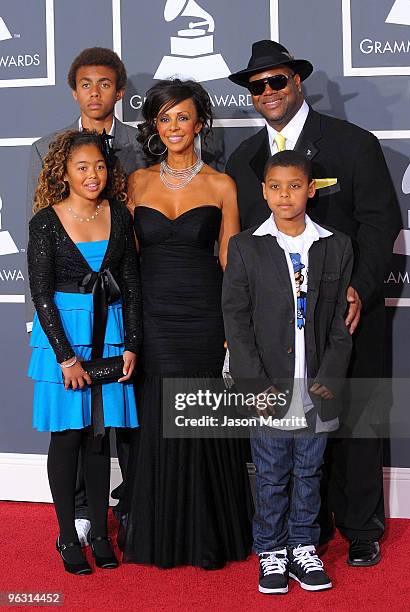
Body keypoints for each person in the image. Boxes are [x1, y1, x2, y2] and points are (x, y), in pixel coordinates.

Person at [226, 39, 401, 566]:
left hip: (347, 310)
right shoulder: (244, 161)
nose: (268, 93)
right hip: (281, 321)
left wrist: (359, 288)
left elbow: (380, 221)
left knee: (355, 417)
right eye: (258, 87)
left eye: (277, 81)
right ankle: (305, 534)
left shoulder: (352, 143)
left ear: (297, 82)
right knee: (293, 428)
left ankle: (361, 527)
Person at [121, 78, 253, 569]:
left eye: (182, 116)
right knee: (157, 416)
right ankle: (159, 536)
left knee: (199, 416)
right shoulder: (137, 182)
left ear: (200, 122)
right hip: (153, 317)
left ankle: (207, 538)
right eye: (164, 118)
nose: (174, 126)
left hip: (203, 316)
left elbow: (231, 263)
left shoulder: (222, 185)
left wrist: (228, 327)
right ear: (154, 126)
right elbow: (127, 261)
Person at [26, 47, 145, 543]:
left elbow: (131, 256)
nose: (96, 93)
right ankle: (71, 523)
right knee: (71, 428)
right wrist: (54, 332)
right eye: (86, 84)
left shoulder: (140, 150)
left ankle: (108, 520)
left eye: (105, 83)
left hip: (116, 312)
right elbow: (42, 250)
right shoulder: (44, 157)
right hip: (67, 309)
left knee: (105, 429)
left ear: (120, 91)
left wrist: (133, 333)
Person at [222, 150, 353, 594]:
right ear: (263, 191)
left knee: (310, 470)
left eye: (294, 186)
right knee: (272, 471)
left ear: (310, 190)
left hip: (317, 383)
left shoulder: (335, 244)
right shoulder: (245, 246)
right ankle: (271, 551)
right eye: (275, 186)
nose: (284, 195)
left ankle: (303, 546)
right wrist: (256, 385)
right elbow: (236, 322)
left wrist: (331, 377)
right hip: (269, 387)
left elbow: (339, 323)